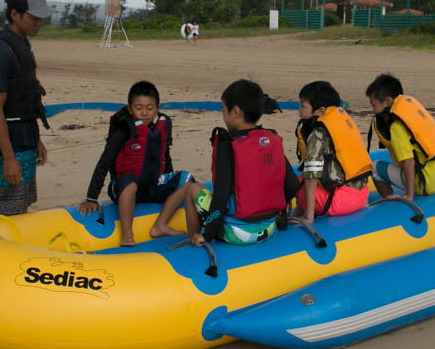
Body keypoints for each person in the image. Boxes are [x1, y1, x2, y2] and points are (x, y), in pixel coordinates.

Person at [184, 79, 300, 246]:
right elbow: (292, 185)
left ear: (236, 111)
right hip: (269, 228)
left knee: (192, 189)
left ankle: (194, 239)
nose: (224, 117)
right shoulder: (270, 140)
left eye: (224, 111)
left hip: (238, 234)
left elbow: (221, 195)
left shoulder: (229, 145)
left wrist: (208, 234)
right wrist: (278, 211)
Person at [78, 80, 193, 246]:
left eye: (149, 108)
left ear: (157, 108)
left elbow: (165, 158)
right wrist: (91, 198)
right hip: (123, 187)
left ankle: (160, 225)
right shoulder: (123, 132)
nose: (144, 113)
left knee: (187, 179)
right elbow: (104, 163)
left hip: (151, 186)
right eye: (139, 108)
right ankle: (127, 234)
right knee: (130, 184)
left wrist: (170, 187)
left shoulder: (160, 130)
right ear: (131, 109)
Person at [0, 0, 50, 216]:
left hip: (26, 135)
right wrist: (9, 157)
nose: (39, 23)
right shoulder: (0, 50)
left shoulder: (22, 43)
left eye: (42, 18)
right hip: (12, 141)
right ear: (14, 14)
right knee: (13, 204)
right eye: (33, 17)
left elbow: (27, 97)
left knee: (25, 200)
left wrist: (36, 139)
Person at [292, 81, 371, 222]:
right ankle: (297, 215)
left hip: (341, 202)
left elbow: (310, 179)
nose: (299, 111)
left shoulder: (318, 134)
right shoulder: (342, 122)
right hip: (362, 195)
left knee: (294, 183)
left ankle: (301, 216)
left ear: (321, 111)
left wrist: (309, 218)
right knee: (304, 179)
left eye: (303, 106)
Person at [366, 73, 435, 200]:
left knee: (374, 168)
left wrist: (409, 195)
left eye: (374, 105)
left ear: (388, 101)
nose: (373, 110)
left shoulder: (396, 127)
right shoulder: (417, 115)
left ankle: (393, 206)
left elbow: (409, 162)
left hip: (426, 184)